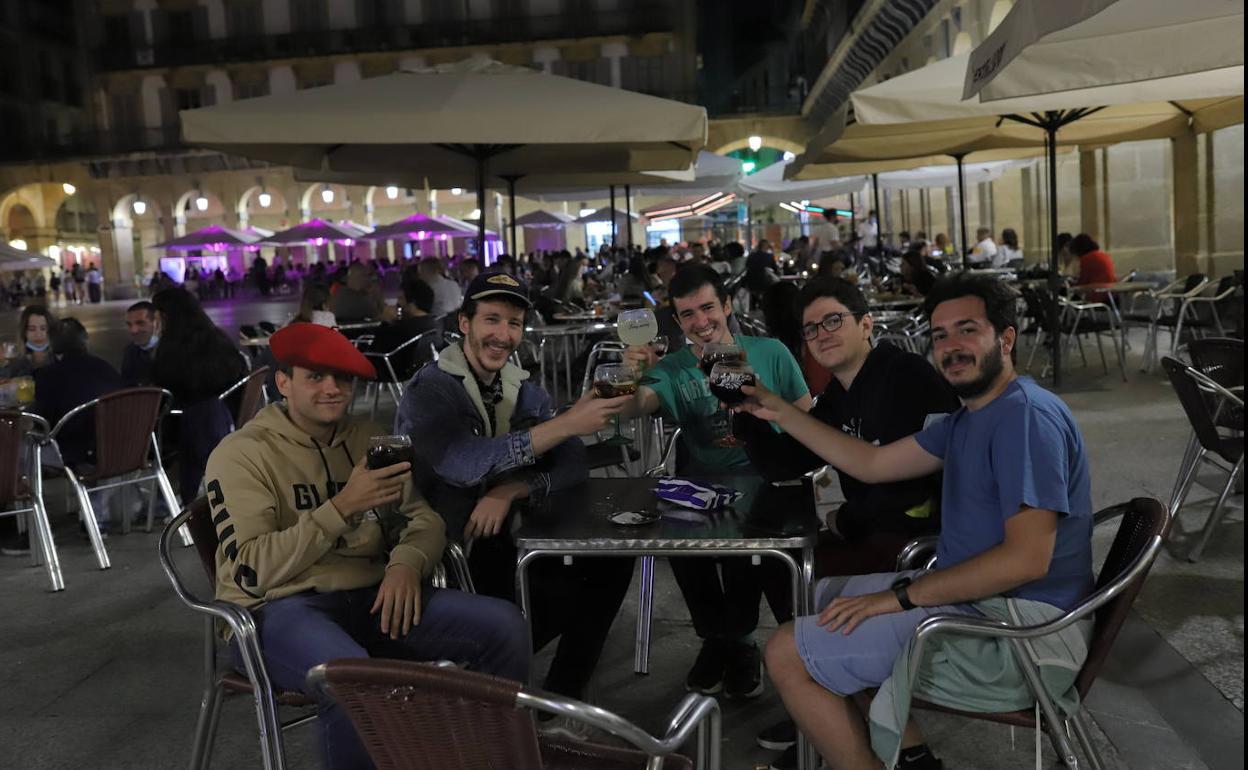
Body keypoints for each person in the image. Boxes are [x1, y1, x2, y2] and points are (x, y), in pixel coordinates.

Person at [741, 272, 1094, 770]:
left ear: (1006, 337)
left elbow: (1027, 559)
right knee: (821, 596)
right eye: (940, 334)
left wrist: (900, 597)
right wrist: (773, 406)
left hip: (1021, 637)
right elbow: (871, 463)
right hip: (982, 609)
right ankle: (908, 755)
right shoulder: (969, 417)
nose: (951, 346)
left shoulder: (1025, 419)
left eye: (967, 329)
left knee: (784, 652)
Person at [204, 322, 529, 770]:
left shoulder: (365, 438)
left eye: (342, 378)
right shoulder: (241, 453)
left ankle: (489, 756)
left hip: (373, 597)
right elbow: (252, 570)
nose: (333, 389)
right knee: (355, 682)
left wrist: (406, 565)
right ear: (283, 383)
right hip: (275, 610)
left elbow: (422, 520)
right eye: (315, 377)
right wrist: (341, 507)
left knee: (505, 626)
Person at [737, 278, 959, 768]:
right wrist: (747, 415)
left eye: (833, 320)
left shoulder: (907, 376)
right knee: (782, 564)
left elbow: (916, 487)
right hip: (877, 531)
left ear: (865, 324)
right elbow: (783, 463)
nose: (821, 333)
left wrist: (846, 518)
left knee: (798, 570)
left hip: (916, 544)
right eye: (811, 327)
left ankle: (826, 702)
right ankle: (826, 707)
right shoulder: (837, 395)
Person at [395, 272, 634, 709]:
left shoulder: (521, 388)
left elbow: (573, 463)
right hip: (442, 557)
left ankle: (562, 698)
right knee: (567, 591)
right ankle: (487, 685)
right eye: (492, 320)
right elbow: (461, 462)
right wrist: (565, 424)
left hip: (506, 544)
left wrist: (512, 490)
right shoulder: (431, 388)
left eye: (514, 323)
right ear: (464, 323)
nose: (504, 335)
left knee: (612, 558)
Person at [621, 264, 812, 699]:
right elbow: (635, 406)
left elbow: (808, 416)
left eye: (708, 308)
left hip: (772, 480)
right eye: (688, 314)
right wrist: (630, 372)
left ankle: (734, 642)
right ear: (677, 320)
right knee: (684, 537)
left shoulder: (771, 352)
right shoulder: (673, 366)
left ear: (727, 305)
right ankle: (725, 641)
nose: (701, 322)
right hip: (706, 486)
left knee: (751, 539)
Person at [151, 288, 248, 503]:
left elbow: (165, 391)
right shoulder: (217, 338)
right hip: (228, 420)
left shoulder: (172, 349)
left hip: (186, 426)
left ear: (164, 316)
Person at [32, 318, 125, 533]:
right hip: (122, 448)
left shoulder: (48, 376)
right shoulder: (105, 367)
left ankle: (28, 528)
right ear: (85, 340)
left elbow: (44, 423)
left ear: (53, 345)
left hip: (78, 454)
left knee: (22, 449)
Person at [120, 301, 160, 386]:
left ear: (156, 323)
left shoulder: (174, 351)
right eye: (129, 324)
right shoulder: (130, 352)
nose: (133, 330)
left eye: (140, 323)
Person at [1071, 233, 1117, 300]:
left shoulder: (1086, 259)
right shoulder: (1103, 255)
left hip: (1098, 296)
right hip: (1111, 295)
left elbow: (1083, 282)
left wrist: (1072, 286)